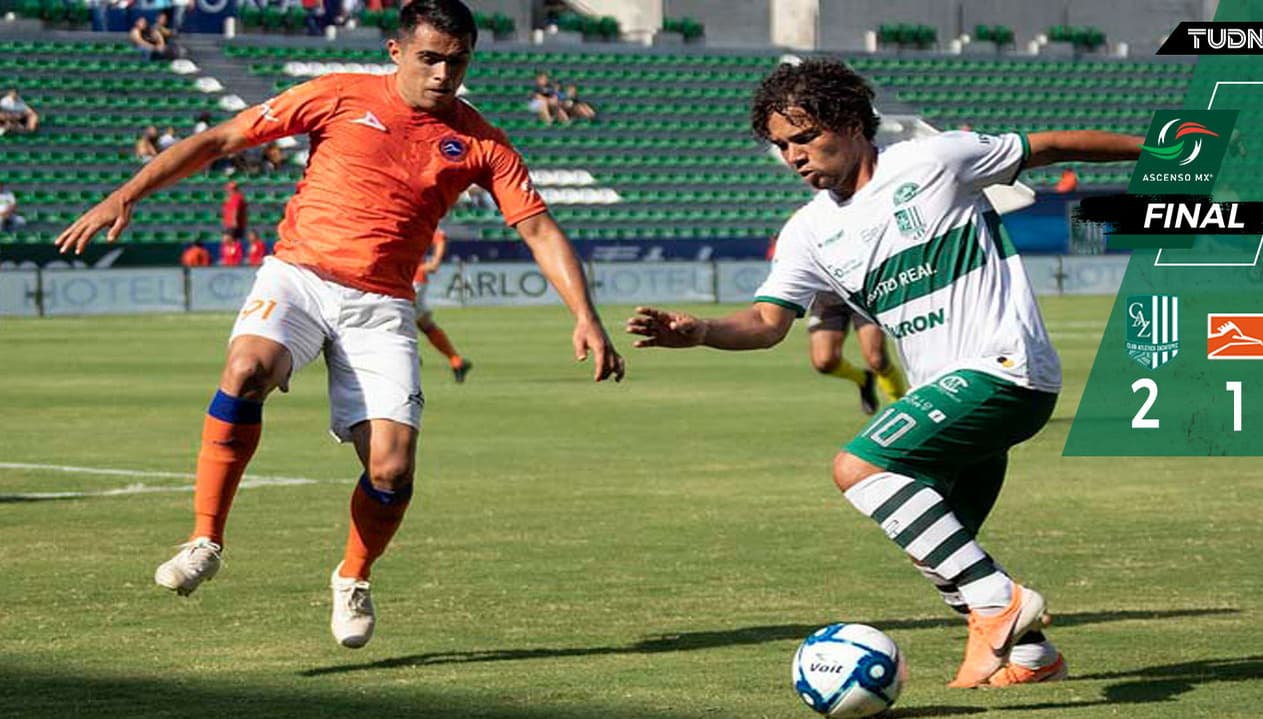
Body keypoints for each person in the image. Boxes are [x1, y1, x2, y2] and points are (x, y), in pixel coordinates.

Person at [56, 0, 624, 651]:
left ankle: (353, 574)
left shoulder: (482, 142)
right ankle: (205, 538)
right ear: (396, 51)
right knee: (246, 368)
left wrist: (585, 315)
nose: (443, 73)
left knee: (391, 468)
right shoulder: (337, 95)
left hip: (382, 305)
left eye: (457, 61)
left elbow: (539, 229)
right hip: (299, 276)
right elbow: (222, 139)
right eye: (429, 58)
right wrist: (127, 192)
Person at [626, 59, 1140, 689]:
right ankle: (1033, 657)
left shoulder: (934, 161)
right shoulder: (809, 231)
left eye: (805, 137)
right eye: (782, 146)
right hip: (946, 393)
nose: (793, 156)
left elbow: (1051, 146)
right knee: (939, 547)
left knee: (859, 468)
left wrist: (1163, 153)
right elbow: (766, 321)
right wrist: (702, 331)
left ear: (850, 123)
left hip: (1004, 369)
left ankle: (1000, 604)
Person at [768, 234, 907, 414]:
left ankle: (900, 405)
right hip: (827, 295)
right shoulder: (805, 225)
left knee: (876, 359)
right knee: (824, 362)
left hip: (861, 288)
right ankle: (863, 379)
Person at [413, 229, 471, 382]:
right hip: (407, 278)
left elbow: (439, 237)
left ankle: (409, 357)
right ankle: (457, 361)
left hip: (409, 279)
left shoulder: (404, 219)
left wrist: (435, 262)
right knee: (423, 323)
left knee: (396, 319)